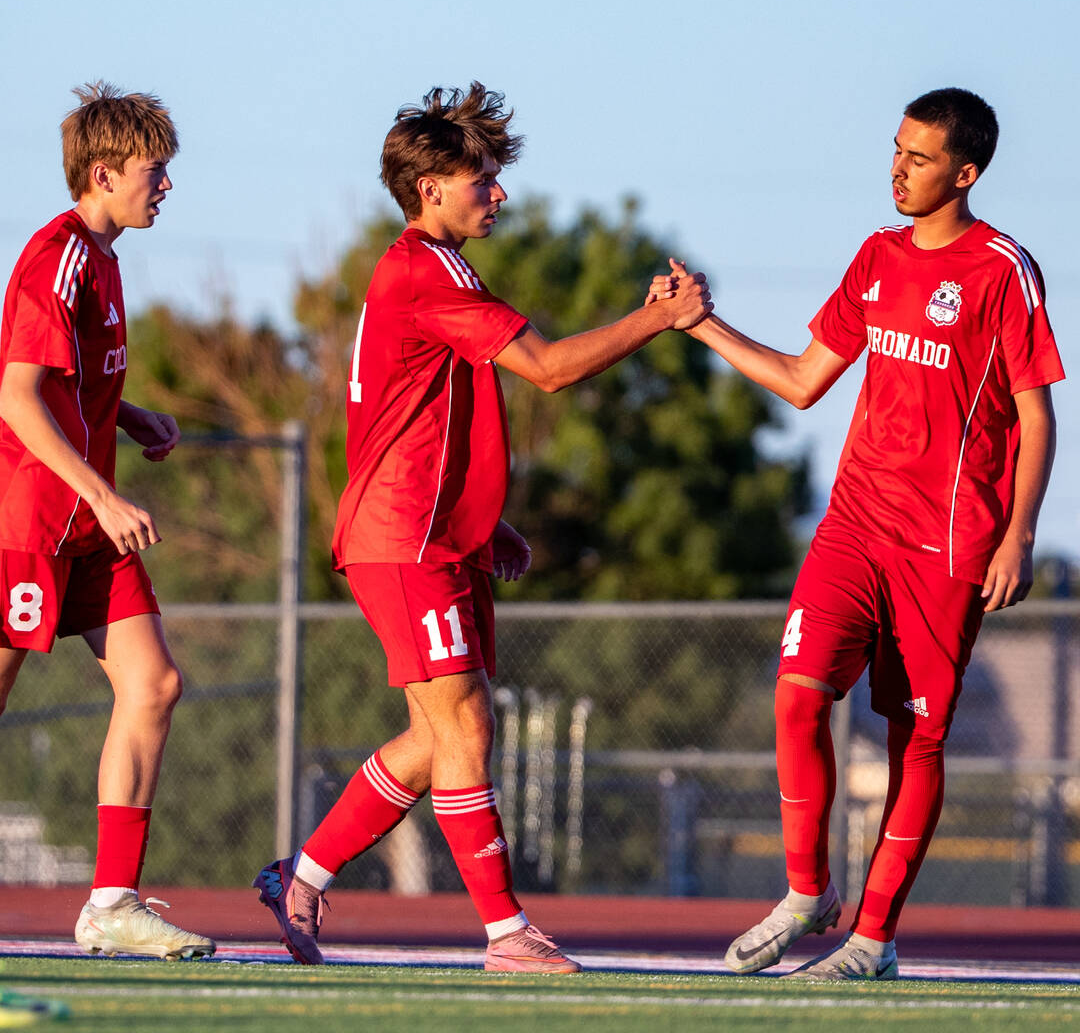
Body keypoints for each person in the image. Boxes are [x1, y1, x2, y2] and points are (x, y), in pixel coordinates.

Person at [254, 82, 711, 972]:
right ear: (431, 187)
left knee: (439, 738)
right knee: (463, 726)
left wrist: (481, 517)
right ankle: (507, 933)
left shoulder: (436, 268)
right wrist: (658, 318)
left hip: (431, 531)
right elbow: (543, 369)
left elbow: (425, 408)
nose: (497, 194)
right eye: (483, 180)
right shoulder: (426, 269)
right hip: (403, 537)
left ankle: (301, 876)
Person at [659, 88, 1062, 980]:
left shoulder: (1002, 270)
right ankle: (808, 892)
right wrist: (701, 324)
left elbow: (1036, 419)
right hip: (853, 526)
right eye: (894, 150)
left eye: (918, 159)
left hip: (948, 546)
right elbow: (805, 380)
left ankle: (872, 939)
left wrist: (1017, 535)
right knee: (798, 691)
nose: (897, 169)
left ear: (965, 173)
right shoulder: (875, 258)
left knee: (912, 740)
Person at [0, 83, 215, 960]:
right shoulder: (58, 255)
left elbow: (67, 380)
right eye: (153, 173)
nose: (165, 187)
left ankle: (111, 903)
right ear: (103, 173)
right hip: (33, 519)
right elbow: (16, 396)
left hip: (87, 524)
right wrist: (101, 490)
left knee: (154, 685)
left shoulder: (106, 257)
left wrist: (132, 416)